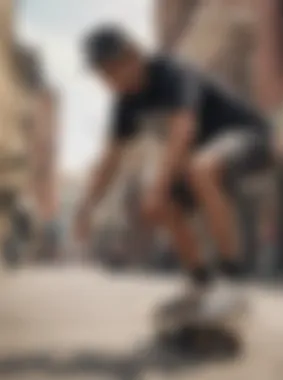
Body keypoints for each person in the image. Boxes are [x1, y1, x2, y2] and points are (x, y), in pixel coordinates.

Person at [74, 25, 272, 301]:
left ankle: (232, 275)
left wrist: (159, 185)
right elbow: (110, 159)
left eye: (111, 71)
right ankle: (199, 280)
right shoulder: (125, 104)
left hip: (249, 137)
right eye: (102, 75)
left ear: (132, 57)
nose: (108, 82)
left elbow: (184, 129)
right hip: (205, 155)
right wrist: (87, 207)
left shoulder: (172, 73)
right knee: (157, 204)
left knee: (198, 170)